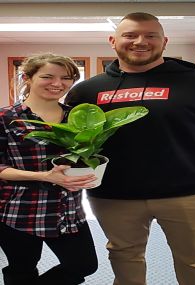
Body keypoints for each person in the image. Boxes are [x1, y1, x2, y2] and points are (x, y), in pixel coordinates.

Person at [65, 12, 195, 285]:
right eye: (130, 35)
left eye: (150, 35)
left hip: (189, 195)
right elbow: (71, 141)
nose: (140, 42)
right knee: (124, 260)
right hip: (114, 197)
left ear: (164, 41)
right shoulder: (87, 91)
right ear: (113, 40)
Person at [0, 53, 99, 285]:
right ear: (28, 77)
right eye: (47, 76)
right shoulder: (6, 118)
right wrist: (44, 176)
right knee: (22, 268)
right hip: (19, 210)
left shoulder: (76, 118)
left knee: (83, 265)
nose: (58, 84)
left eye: (66, 78)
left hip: (67, 209)